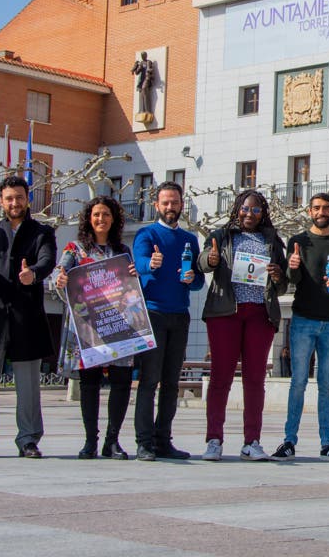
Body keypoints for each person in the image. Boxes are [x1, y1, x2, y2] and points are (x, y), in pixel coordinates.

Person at [0, 175, 57, 459]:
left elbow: (47, 260)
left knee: (28, 384)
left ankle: (28, 440)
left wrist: (34, 274)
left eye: (19, 197)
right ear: (1, 201)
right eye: (9, 198)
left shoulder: (42, 232)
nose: (14, 203)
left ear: (27, 199)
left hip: (26, 318)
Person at [199, 190, 287, 462]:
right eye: (246, 209)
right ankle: (214, 439)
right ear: (237, 208)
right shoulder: (221, 235)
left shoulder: (272, 239)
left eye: (256, 210)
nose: (250, 214)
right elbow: (202, 262)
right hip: (226, 312)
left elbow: (283, 285)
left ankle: (252, 441)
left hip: (260, 314)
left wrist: (278, 275)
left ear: (264, 213)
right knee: (220, 378)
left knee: (255, 380)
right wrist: (211, 260)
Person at [54, 196, 138, 460]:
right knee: (89, 383)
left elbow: (132, 289)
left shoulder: (123, 251)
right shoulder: (74, 249)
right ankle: (90, 440)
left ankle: (112, 441)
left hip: (117, 324)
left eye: (106, 214)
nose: (101, 219)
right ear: (88, 219)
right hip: (87, 326)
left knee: (121, 381)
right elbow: (56, 278)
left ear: (114, 219)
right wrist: (60, 279)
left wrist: (135, 277)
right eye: (96, 215)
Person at [273, 193, 329, 461]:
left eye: (326, 208)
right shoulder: (298, 242)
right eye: (317, 208)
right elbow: (291, 280)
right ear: (309, 211)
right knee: (297, 382)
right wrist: (292, 266)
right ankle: (289, 441)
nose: (322, 212)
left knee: (327, 385)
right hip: (302, 321)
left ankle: (327, 443)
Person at [131, 181, 204, 461]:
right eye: (165, 202)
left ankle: (164, 440)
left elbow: (197, 281)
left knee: (172, 383)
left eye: (174, 202)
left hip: (180, 315)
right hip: (152, 314)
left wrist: (192, 279)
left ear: (181, 204)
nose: (170, 207)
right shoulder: (146, 234)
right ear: (156, 205)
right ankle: (144, 442)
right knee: (149, 381)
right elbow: (138, 262)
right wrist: (151, 264)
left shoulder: (189, 239)